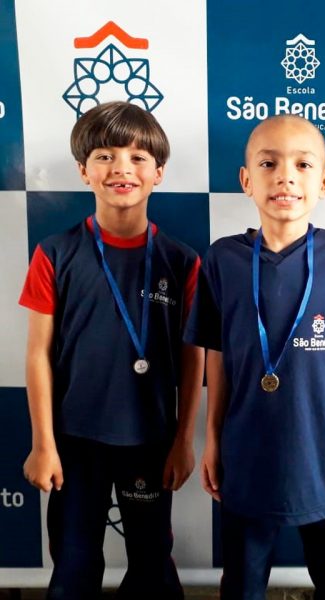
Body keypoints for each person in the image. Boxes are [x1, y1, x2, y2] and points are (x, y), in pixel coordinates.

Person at [184, 114, 325, 599]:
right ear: (246, 180)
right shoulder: (222, 259)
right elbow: (216, 356)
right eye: (268, 164)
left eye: (302, 165)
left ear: (324, 182)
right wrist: (212, 439)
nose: (285, 177)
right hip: (247, 452)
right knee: (243, 581)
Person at [19, 101, 204, 600]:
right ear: (84, 171)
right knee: (75, 562)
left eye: (138, 157)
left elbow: (194, 360)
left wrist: (184, 440)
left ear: (158, 172)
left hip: (151, 439)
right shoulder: (55, 253)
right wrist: (43, 443)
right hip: (75, 440)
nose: (122, 168)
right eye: (105, 156)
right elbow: (37, 355)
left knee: (151, 562)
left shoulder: (182, 261)